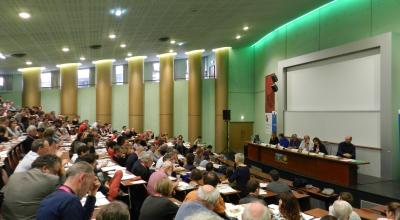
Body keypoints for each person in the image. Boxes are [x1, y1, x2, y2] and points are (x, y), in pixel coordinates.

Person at [1, 155, 63, 220]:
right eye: (56, 172)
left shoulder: (14, 176)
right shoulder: (51, 179)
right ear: (45, 168)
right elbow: (66, 196)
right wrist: (62, 173)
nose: (56, 175)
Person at [36, 161, 101, 220]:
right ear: (82, 178)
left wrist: (92, 193)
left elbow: (83, 217)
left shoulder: (55, 195)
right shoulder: (71, 201)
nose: (88, 189)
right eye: (89, 185)